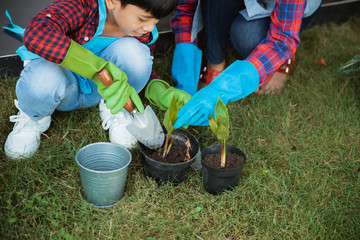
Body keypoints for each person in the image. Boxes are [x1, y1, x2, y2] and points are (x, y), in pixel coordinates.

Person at [3, 0, 179, 159]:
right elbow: (37, 32)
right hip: (59, 84)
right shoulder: (82, 5)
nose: (149, 27)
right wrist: (96, 68)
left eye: (156, 21)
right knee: (42, 78)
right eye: (143, 19)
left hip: (101, 90)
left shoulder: (141, 31)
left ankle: (115, 108)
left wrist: (159, 90)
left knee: (137, 54)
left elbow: (138, 68)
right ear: (112, 2)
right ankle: (33, 117)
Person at [170, 0, 321, 128]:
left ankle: (283, 61)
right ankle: (214, 65)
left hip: (288, 12)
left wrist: (231, 84)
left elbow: (283, 40)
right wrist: (186, 77)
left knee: (246, 36)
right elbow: (186, 7)